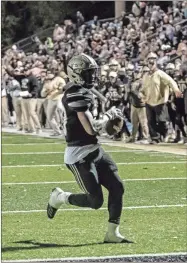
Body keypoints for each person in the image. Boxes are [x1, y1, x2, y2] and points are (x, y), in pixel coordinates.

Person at [47, 53, 131, 243]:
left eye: (93, 73)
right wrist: (109, 118)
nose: (92, 77)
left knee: (118, 187)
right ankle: (60, 197)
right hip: (79, 155)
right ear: (76, 74)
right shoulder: (76, 93)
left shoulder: (84, 90)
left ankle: (112, 233)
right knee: (95, 201)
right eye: (87, 73)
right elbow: (91, 130)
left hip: (95, 150)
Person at [140, 52, 182, 144]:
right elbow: (142, 88)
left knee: (162, 121)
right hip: (149, 101)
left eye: (153, 61)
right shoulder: (145, 76)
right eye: (149, 61)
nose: (151, 64)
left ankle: (165, 133)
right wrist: (142, 95)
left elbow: (170, 81)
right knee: (150, 121)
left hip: (159, 101)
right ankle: (155, 138)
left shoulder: (160, 73)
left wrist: (176, 90)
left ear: (156, 62)